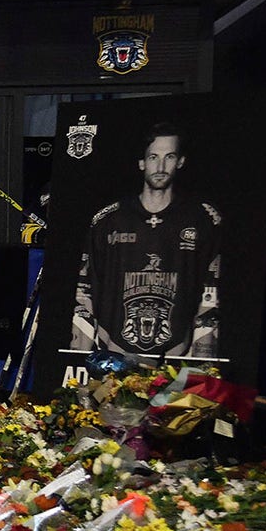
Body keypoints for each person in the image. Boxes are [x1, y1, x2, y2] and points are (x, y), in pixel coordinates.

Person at [71, 122, 221, 358]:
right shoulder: (108, 220)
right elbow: (83, 289)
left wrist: (200, 360)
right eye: (153, 157)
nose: (160, 166)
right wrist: (79, 356)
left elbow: (211, 293)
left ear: (180, 161)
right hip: (113, 353)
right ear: (141, 162)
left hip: (175, 355)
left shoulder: (202, 220)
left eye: (169, 157)